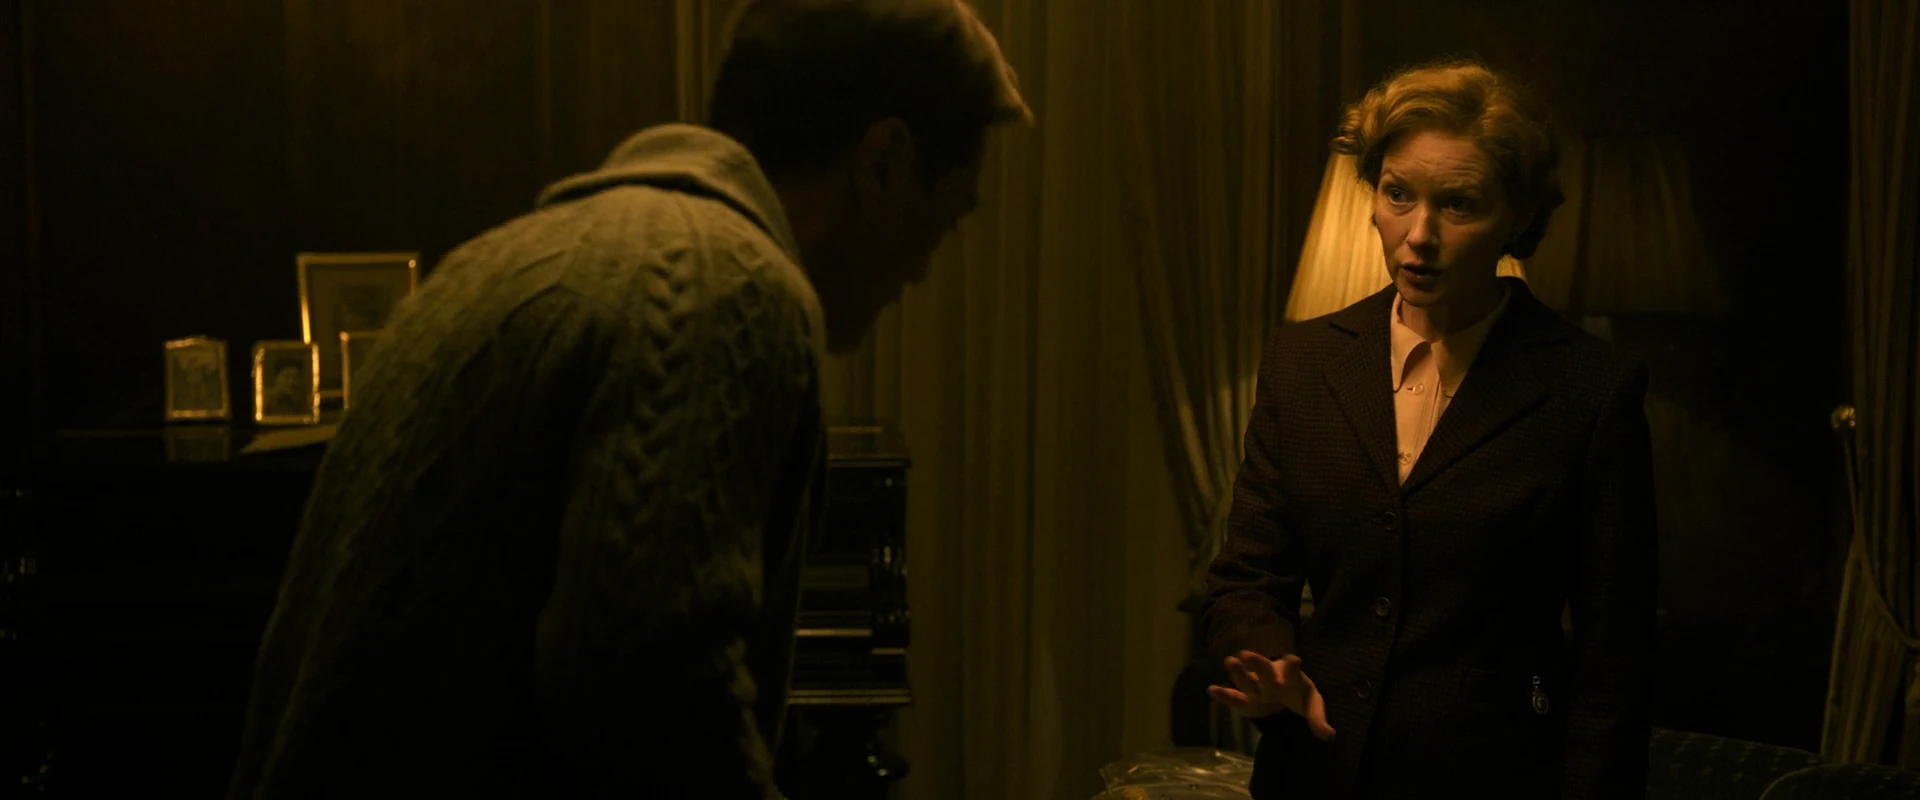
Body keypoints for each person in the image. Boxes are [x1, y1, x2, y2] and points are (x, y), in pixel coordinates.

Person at [225, 2, 1029, 798]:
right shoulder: (730, 283)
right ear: (883, 162)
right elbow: (654, 707)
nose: (926, 266)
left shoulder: (495, 262)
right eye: (951, 214)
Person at [1203, 58, 1656, 799]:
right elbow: (1248, 575)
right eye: (1398, 194)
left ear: (1518, 216)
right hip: (1316, 772)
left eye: (1458, 204)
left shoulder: (1589, 390)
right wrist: (1267, 660)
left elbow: (1616, 650)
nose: (1419, 235)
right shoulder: (1303, 362)